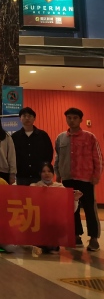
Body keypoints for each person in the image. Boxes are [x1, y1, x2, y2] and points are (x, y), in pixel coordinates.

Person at [55, 107, 102, 252]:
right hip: (68, 179)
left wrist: (96, 175)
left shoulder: (90, 137)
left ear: (81, 120)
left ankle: (93, 238)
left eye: (75, 118)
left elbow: (98, 157)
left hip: (86, 179)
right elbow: (58, 157)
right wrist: (58, 174)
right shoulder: (61, 138)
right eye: (69, 118)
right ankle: (76, 236)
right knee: (71, 209)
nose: (72, 120)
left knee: (89, 208)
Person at [31, 162, 82, 255]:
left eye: (49, 171)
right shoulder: (34, 186)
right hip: (39, 222)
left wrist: (75, 199)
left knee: (52, 247)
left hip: (54, 223)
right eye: (43, 171)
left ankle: (50, 244)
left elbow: (69, 210)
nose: (46, 174)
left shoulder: (60, 188)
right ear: (40, 173)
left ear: (53, 173)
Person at [12, 107, 54, 186]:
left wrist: (45, 169)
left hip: (39, 175)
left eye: (30, 116)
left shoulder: (43, 135)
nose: (27, 118)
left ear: (34, 118)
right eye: (24, 116)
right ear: (20, 118)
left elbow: (49, 153)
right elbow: (11, 155)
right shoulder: (15, 137)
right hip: (22, 175)